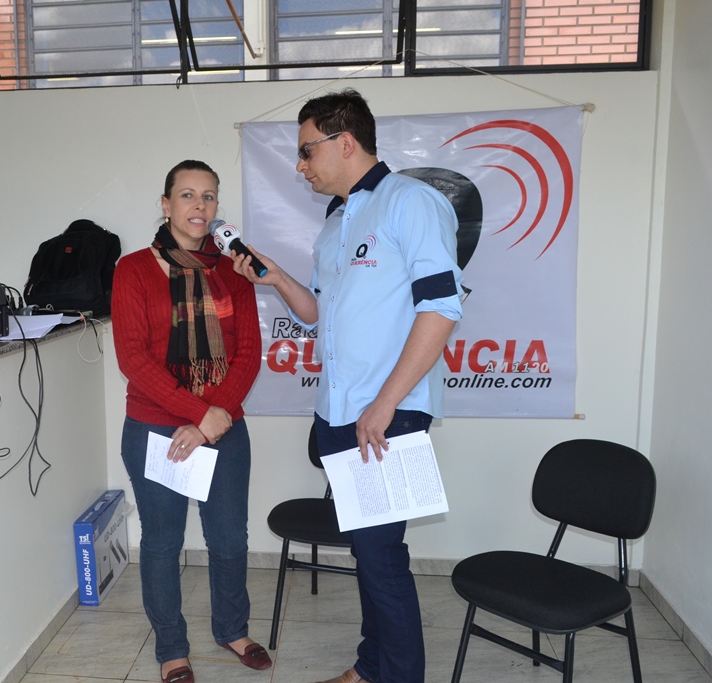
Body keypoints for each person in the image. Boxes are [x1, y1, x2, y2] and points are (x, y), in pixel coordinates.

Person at [231, 89, 464, 683]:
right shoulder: (335, 222)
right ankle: (369, 667)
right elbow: (317, 312)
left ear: (345, 142)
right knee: (366, 553)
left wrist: (385, 403)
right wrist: (276, 278)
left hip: (389, 414)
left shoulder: (411, 202)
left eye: (307, 151)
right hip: (338, 414)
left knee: (382, 559)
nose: (300, 165)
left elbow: (440, 307)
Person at [111, 159, 269, 683]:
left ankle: (232, 629)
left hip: (222, 429)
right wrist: (200, 413)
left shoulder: (233, 271)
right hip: (156, 429)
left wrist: (208, 422)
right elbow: (133, 358)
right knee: (162, 542)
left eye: (208, 196)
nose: (199, 206)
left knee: (229, 539)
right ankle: (172, 649)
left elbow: (248, 353)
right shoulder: (133, 269)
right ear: (166, 204)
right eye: (187, 195)